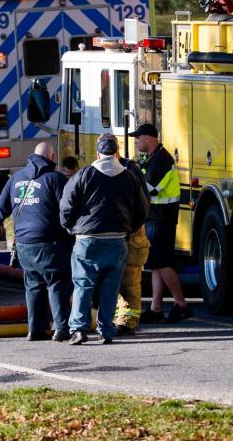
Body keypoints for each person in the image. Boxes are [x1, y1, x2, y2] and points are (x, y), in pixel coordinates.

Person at [60, 134, 149, 345]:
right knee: (111, 287)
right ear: (117, 152)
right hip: (118, 241)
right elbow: (142, 208)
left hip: (87, 240)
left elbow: (66, 206)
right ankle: (106, 330)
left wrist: (70, 226)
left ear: (98, 152)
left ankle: (79, 330)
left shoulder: (83, 175)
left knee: (83, 284)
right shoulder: (129, 176)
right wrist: (129, 228)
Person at [0, 142, 72, 342]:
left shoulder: (16, 178)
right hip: (49, 242)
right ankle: (61, 329)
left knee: (34, 285)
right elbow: (67, 209)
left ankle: (35, 329)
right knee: (57, 283)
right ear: (51, 157)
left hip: (24, 243)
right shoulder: (55, 179)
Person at [131, 123, 194, 324]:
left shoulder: (161, 161)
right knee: (156, 265)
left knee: (163, 263)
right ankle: (155, 308)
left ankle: (182, 305)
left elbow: (147, 189)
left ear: (148, 138)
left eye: (138, 138)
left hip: (162, 219)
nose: (136, 141)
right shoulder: (152, 158)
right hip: (155, 218)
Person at [115, 146, 150, 337]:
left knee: (130, 281)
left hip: (132, 233)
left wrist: (133, 226)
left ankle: (127, 323)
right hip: (115, 233)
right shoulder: (99, 169)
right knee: (113, 280)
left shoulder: (131, 170)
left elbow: (144, 202)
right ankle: (117, 319)